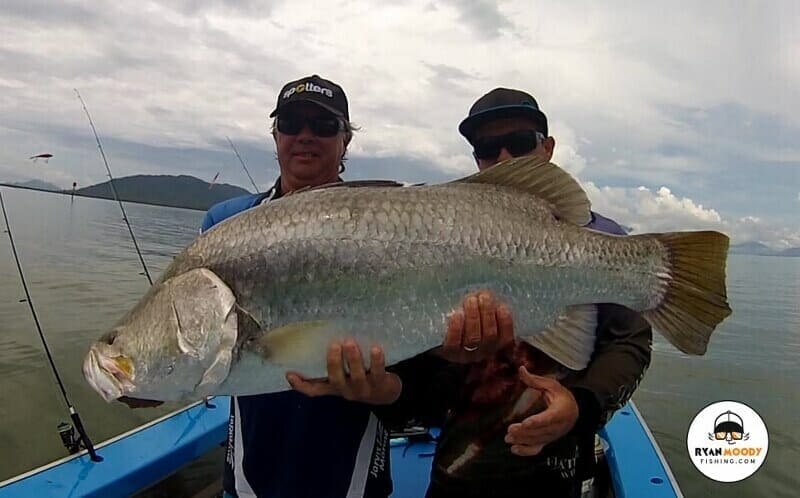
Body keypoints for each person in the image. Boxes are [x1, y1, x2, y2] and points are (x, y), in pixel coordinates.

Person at [378, 88, 654, 498]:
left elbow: (630, 341)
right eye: (487, 149)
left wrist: (580, 406)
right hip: (457, 476)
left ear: (547, 148)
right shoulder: (438, 241)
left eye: (520, 143)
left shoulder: (602, 240)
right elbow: (428, 373)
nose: (504, 159)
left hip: (558, 476)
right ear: (476, 160)